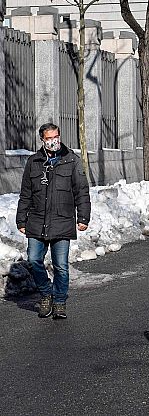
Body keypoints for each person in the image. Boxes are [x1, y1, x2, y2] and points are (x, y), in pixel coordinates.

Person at [16, 123, 91, 319]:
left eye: (56, 136)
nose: (53, 141)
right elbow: (25, 194)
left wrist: (83, 217)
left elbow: (81, 191)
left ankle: (59, 302)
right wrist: (21, 219)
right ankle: (46, 293)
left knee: (61, 266)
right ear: (42, 139)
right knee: (33, 260)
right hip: (36, 221)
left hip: (62, 221)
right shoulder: (34, 162)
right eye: (49, 138)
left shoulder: (71, 160)